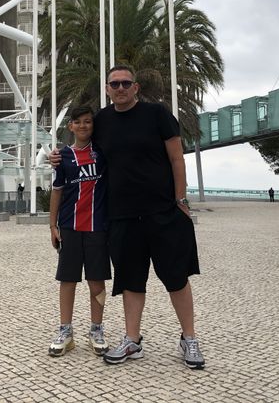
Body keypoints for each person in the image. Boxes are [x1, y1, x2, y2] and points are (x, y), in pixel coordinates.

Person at [50, 65, 204, 370]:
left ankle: (189, 338)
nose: (120, 88)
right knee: (131, 280)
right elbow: (81, 147)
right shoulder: (103, 121)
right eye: (114, 84)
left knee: (175, 277)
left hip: (163, 211)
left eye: (125, 83)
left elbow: (176, 157)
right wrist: (58, 156)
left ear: (136, 87)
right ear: (107, 89)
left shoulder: (157, 114)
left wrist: (181, 198)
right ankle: (132, 340)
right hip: (121, 216)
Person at [48, 106, 110, 358]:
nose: (83, 126)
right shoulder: (62, 156)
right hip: (70, 227)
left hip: (98, 227)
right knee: (68, 279)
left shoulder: (103, 154)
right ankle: (65, 330)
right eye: (78, 122)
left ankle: (96, 329)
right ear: (70, 126)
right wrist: (52, 225)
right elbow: (57, 190)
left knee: (97, 280)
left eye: (88, 122)